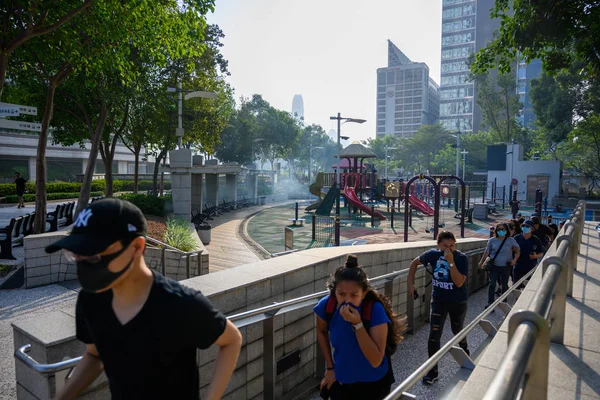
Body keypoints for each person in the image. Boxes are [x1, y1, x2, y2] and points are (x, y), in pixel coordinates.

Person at [46, 198, 242, 400]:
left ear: (137, 247)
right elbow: (95, 354)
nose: (84, 265)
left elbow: (231, 339)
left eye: (94, 256)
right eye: (77, 255)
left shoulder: (180, 304)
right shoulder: (90, 301)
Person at [314, 255, 402, 400]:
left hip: (374, 383)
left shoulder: (374, 310)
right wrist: (330, 368)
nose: (347, 300)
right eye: (341, 294)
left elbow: (375, 360)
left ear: (364, 293)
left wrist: (358, 324)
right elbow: (321, 331)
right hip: (343, 380)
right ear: (334, 290)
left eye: (354, 295)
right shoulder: (326, 306)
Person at [408, 231, 469, 385]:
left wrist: (451, 262)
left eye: (452, 246)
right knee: (434, 335)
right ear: (438, 245)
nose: (448, 249)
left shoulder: (461, 258)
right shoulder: (432, 255)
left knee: (457, 331)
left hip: (457, 301)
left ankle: (465, 350)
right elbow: (414, 263)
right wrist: (410, 284)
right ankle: (432, 371)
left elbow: (459, 282)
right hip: (439, 301)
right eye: (444, 246)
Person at [479, 223, 520, 308]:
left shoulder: (510, 240)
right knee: (492, 284)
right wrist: (481, 262)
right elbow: (487, 252)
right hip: (494, 266)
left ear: (506, 230)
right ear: (496, 230)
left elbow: (517, 251)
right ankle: (490, 303)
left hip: (506, 266)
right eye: (499, 229)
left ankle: (503, 301)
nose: (501, 231)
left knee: (504, 284)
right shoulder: (492, 240)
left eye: (503, 229)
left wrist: (514, 260)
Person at [513, 220, 544, 285]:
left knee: (528, 285)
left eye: (527, 227)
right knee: (516, 285)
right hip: (518, 265)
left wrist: (535, 256)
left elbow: (541, 253)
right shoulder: (516, 238)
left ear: (532, 229)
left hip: (530, 266)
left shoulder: (535, 240)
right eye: (523, 226)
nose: (525, 228)